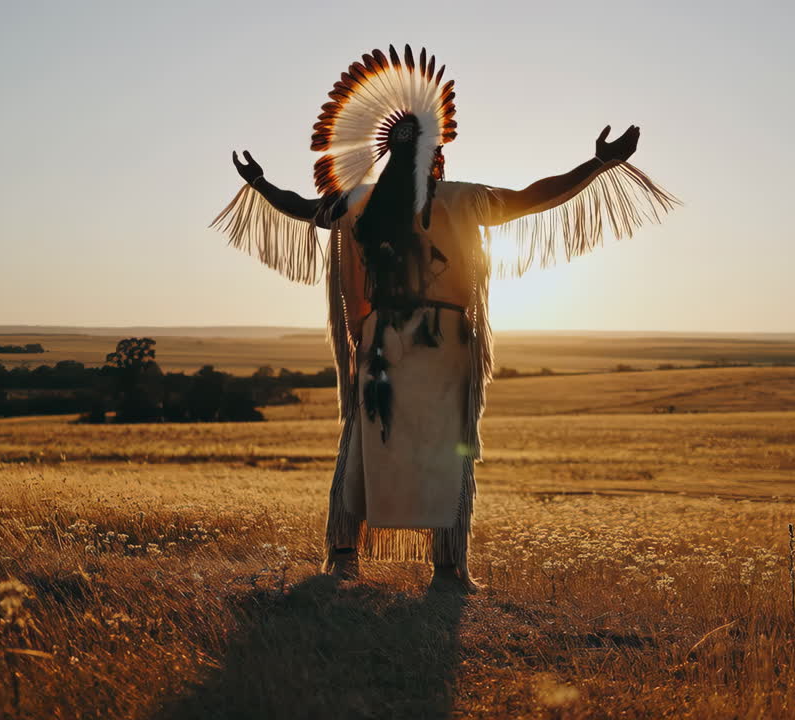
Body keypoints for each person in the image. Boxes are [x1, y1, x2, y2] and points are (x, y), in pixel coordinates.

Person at [213, 45, 678, 590]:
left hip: (390, 340)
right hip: (429, 339)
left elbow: (303, 206)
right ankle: (439, 567)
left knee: (374, 439)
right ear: (434, 156)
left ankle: (361, 559)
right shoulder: (439, 199)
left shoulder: (370, 201)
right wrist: (598, 164)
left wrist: (261, 184)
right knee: (431, 444)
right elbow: (532, 197)